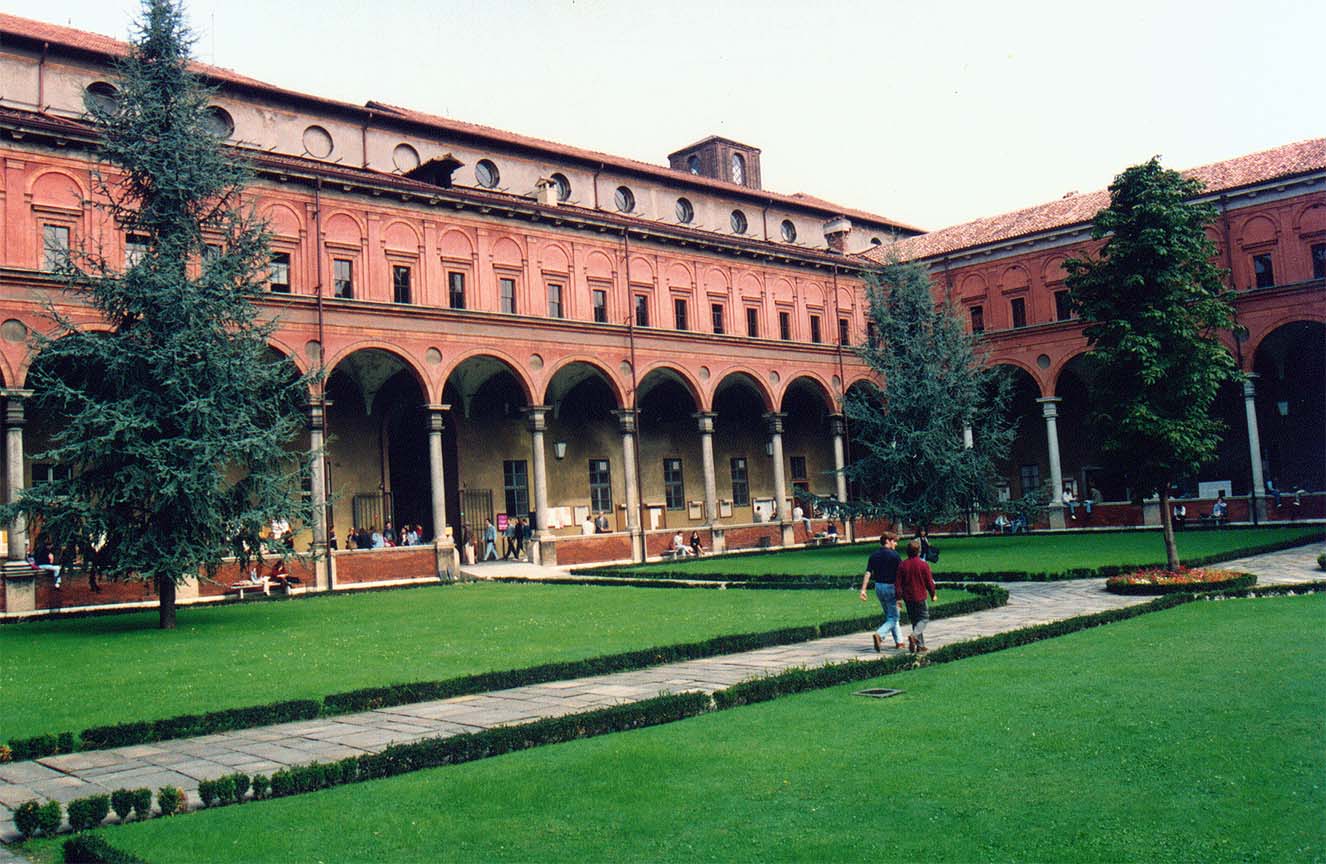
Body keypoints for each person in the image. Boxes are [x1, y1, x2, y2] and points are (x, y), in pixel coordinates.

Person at [859, 531, 903, 652]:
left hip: (878, 587)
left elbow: (868, 573)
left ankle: (899, 642)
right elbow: (901, 575)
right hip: (890, 587)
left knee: (891, 616)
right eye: (894, 541)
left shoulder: (874, 555)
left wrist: (863, 589)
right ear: (888, 541)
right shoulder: (895, 556)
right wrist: (901, 595)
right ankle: (880, 634)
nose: (896, 544)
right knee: (893, 617)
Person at [896, 538, 937, 652]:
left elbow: (898, 584)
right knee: (924, 618)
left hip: (908, 597)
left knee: (915, 620)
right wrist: (933, 593)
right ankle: (914, 636)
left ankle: (920, 645)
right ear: (919, 551)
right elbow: (929, 581)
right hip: (920, 596)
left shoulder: (903, 565)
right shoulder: (923, 565)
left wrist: (899, 598)